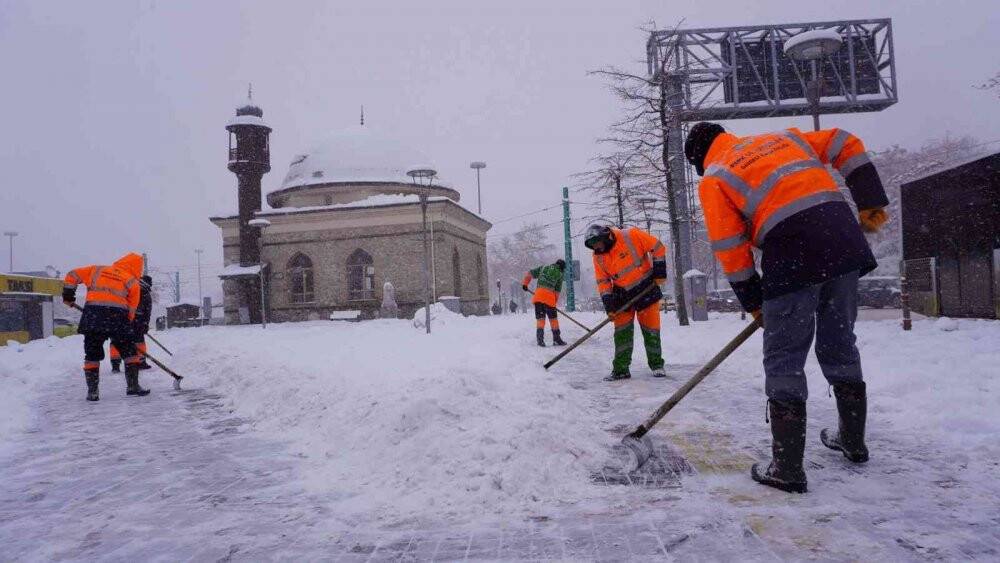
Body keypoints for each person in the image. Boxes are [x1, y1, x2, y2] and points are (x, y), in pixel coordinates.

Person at [686, 122, 889, 493]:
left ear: (699, 158)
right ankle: (852, 440)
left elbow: (730, 246)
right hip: (844, 238)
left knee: (784, 358)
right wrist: (871, 205)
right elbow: (844, 140)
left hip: (793, 251)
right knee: (839, 340)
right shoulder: (784, 138)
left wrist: (754, 303)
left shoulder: (715, 177)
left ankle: (787, 467)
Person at [583, 224, 668, 381]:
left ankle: (657, 365)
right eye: (592, 246)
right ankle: (621, 370)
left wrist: (660, 272)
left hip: (646, 288)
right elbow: (603, 281)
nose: (596, 248)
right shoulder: (598, 256)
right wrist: (609, 305)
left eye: (597, 243)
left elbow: (658, 247)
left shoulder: (631, 235)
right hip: (622, 295)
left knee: (651, 330)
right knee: (622, 333)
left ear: (606, 236)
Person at [63, 253, 151, 401]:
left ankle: (92, 392)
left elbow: (72, 275)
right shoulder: (131, 281)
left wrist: (68, 296)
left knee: (92, 354)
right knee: (130, 352)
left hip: (93, 317)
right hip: (118, 318)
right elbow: (132, 309)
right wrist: (127, 324)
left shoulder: (96, 270)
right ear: (137, 268)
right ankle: (133, 386)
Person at [110, 275, 153, 372]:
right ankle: (141, 362)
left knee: (117, 341)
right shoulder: (145, 294)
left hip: (122, 319)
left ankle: (115, 365)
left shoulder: (128, 288)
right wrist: (145, 324)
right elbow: (147, 312)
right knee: (139, 341)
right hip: (137, 321)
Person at [522, 259, 567, 347]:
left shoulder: (543, 268)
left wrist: (525, 284)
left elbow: (529, 273)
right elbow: (557, 292)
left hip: (538, 297)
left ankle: (540, 340)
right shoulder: (560, 274)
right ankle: (556, 339)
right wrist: (554, 304)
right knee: (553, 320)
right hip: (550, 299)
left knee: (540, 319)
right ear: (562, 268)